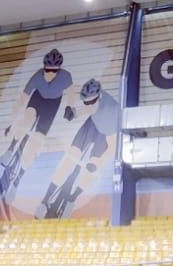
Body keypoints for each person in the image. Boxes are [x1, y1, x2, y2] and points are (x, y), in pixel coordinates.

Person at [38, 77, 119, 219]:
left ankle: (72, 199)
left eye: (91, 102)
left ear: (99, 97)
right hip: (92, 124)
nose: (88, 105)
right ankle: (44, 201)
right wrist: (75, 113)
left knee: (92, 166)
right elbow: (89, 109)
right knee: (69, 158)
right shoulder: (93, 102)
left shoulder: (111, 113)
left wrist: (97, 163)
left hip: (106, 133)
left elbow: (112, 148)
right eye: (85, 102)